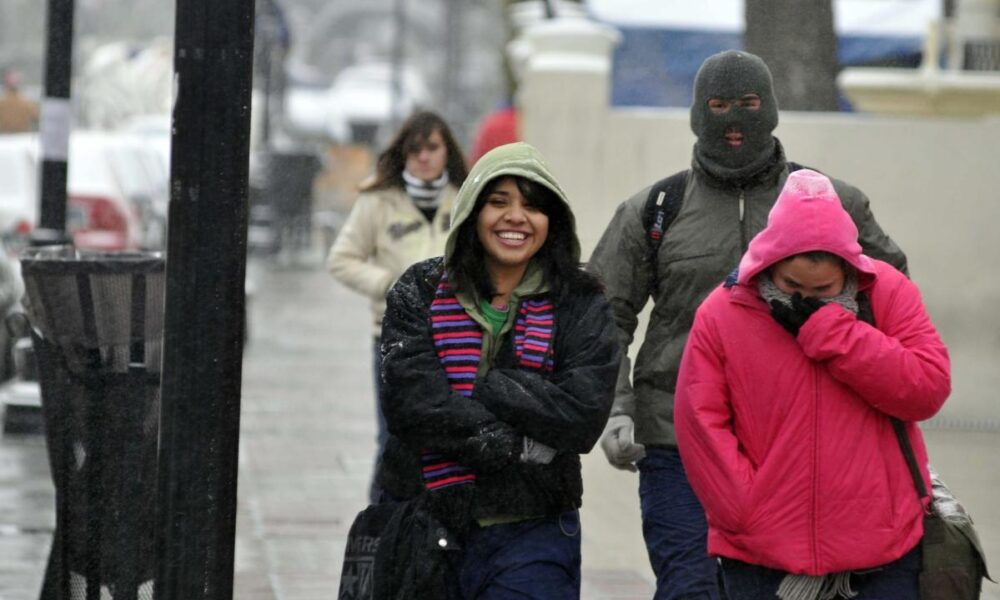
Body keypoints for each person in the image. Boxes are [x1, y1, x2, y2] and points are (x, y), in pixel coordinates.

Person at [587, 49, 909, 599]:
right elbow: (601, 315)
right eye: (717, 105)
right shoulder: (654, 210)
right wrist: (614, 409)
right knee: (692, 589)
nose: (733, 121)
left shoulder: (832, 204)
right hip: (675, 443)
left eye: (748, 104)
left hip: (800, 449)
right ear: (697, 113)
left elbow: (894, 298)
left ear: (772, 109)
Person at [674, 168, 950, 599]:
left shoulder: (888, 293)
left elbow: (927, 389)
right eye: (790, 286)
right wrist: (745, 509)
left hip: (883, 555)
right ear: (769, 263)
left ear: (847, 269)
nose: (804, 299)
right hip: (762, 556)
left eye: (823, 289)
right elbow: (700, 420)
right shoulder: (722, 312)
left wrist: (836, 334)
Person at [376, 141, 619, 598]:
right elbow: (412, 406)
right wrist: (512, 441)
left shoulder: (582, 301)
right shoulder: (420, 289)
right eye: (498, 202)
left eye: (533, 205)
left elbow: (583, 415)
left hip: (534, 530)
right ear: (471, 211)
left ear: (553, 221)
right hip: (425, 523)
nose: (516, 217)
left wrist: (494, 388)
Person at [327, 110, 468, 503]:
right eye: (415, 148)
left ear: (446, 152)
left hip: (454, 339)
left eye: (432, 148)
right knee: (393, 437)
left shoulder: (464, 200)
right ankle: (380, 528)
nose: (424, 156)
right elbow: (341, 259)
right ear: (403, 153)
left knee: (445, 437)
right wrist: (390, 285)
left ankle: (435, 524)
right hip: (392, 340)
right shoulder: (378, 202)